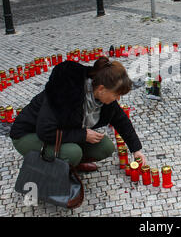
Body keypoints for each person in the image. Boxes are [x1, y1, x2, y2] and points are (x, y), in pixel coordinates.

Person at [10, 57, 146, 173]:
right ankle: (53, 172)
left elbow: (121, 120)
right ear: (101, 89)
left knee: (105, 147)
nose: (117, 99)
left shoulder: (103, 98)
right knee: (73, 152)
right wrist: (83, 135)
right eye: (116, 94)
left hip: (59, 133)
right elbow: (45, 131)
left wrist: (136, 149)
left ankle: (71, 164)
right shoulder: (66, 92)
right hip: (28, 135)